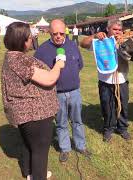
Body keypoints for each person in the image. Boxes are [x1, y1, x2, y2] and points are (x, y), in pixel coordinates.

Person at [1, 22, 65, 180]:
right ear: (22, 40)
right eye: (30, 37)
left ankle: (29, 172)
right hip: (35, 114)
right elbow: (50, 79)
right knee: (40, 151)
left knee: (31, 146)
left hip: (27, 114)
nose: (32, 39)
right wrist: (59, 64)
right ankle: (38, 176)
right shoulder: (18, 60)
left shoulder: (13, 56)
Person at [34, 19, 91, 163]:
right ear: (49, 32)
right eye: (55, 34)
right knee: (61, 122)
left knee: (77, 120)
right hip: (56, 94)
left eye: (61, 33)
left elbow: (80, 65)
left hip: (75, 92)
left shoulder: (72, 45)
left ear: (65, 31)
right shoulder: (41, 50)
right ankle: (65, 148)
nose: (58, 36)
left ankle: (81, 145)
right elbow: (37, 74)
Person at [80, 19, 131, 142]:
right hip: (105, 81)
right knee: (107, 106)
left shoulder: (125, 41)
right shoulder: (100, 41)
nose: (118, 32)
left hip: (122, 80)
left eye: (119, 30)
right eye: (115, 29)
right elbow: (83, 43)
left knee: (123, 105)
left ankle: (122, 128)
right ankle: (108, 128)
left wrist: (123, 43)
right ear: (108, 29)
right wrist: (94, 36)